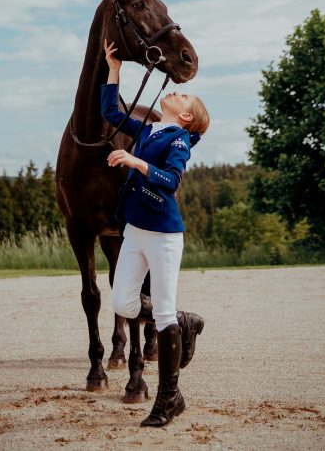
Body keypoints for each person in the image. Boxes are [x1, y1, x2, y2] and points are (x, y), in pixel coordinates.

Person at [101, 38, 210, 427]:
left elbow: (170, 180)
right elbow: (111, 111)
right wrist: (114, 68)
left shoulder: (179, 140)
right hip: (135, 231)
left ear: (185, 117)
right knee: (122, 303)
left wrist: (135, 162)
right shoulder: (148, 130)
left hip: (164, 235)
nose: (177, 91)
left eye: (185, 96)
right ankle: (183, 319)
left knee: (159, 313)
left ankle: (168, 400)